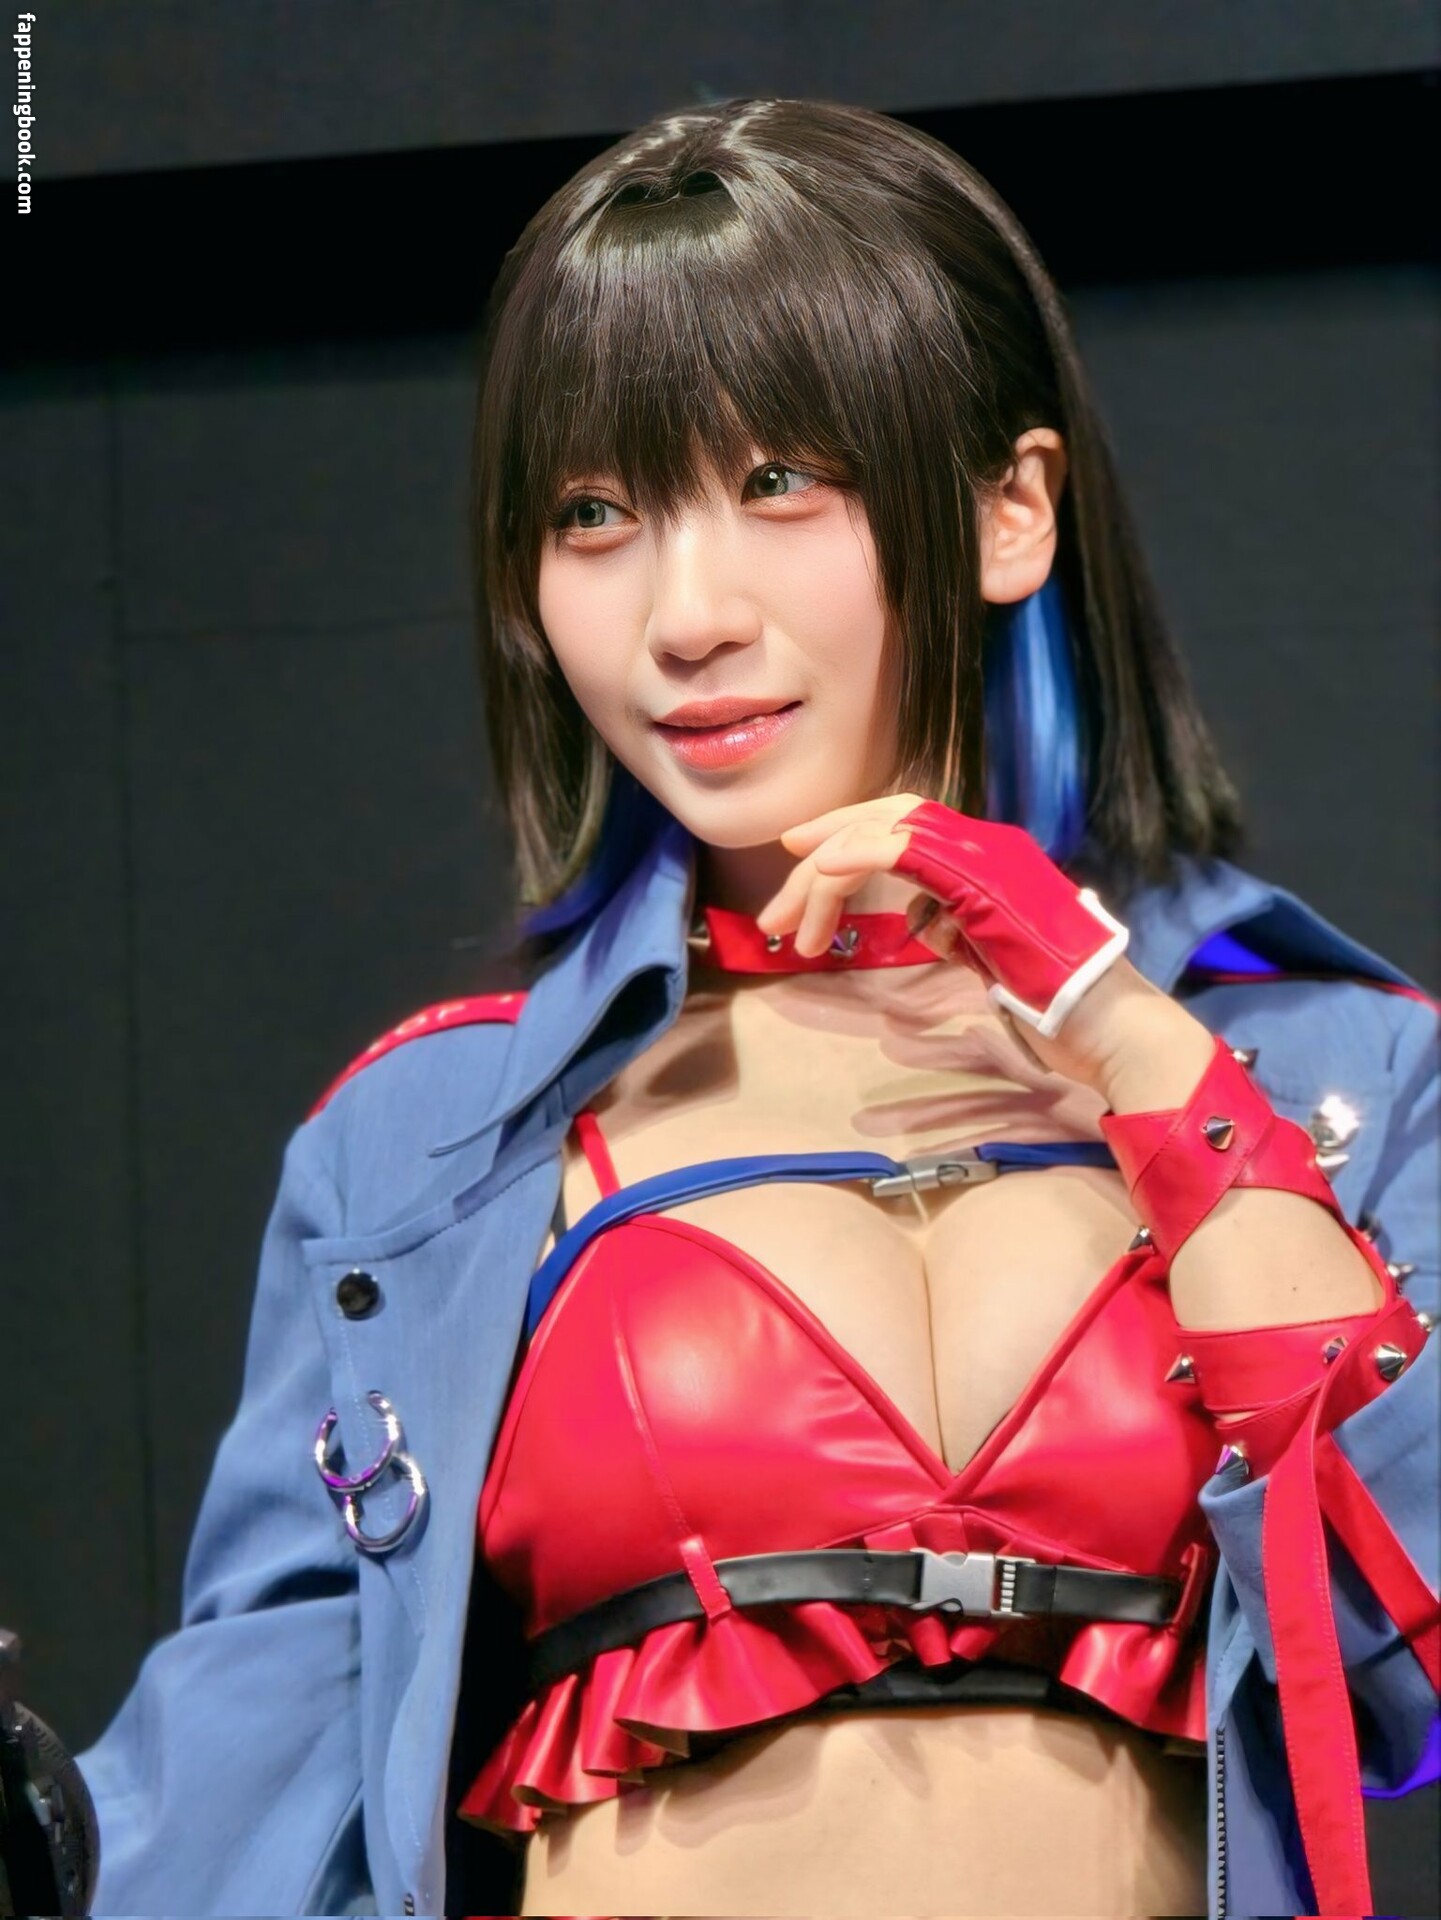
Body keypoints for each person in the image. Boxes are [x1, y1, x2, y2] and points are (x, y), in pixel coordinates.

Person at [74, 97, 1437, 1919]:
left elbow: (1401, 1651)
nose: (683, 616)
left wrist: (1126, 1035)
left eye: (780, 480)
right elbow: (239, 1782)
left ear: (1007, 510)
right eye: (593, 516)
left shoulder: (1339, 1074)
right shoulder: (425, 1145)